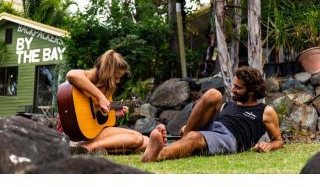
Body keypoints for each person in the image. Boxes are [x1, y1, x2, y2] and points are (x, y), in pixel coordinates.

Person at [142, 66, 283, 162]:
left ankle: (158, 155)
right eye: (233, 84)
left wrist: (270, 145)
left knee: (195, 137)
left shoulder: (265, 111)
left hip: (230, 138)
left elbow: (278, 140)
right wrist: (189, 125)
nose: (232, 89)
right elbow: (208, 119)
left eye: (238, 87)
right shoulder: (227, 105)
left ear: (251, 91)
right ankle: (184, 137)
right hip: (212, 128)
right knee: (214, 94)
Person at [56, 49, 148, 153]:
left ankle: (90, 148)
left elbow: (95, 117)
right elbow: (71, 75)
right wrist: (101, 97)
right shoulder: (86, 76)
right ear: (107, 72)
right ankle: (88, 147)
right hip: (75, 133)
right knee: (137, 138)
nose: (118, 81)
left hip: (90, 132)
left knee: (146, 142)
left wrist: (113, 113)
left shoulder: (105, 87)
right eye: (116, 77)